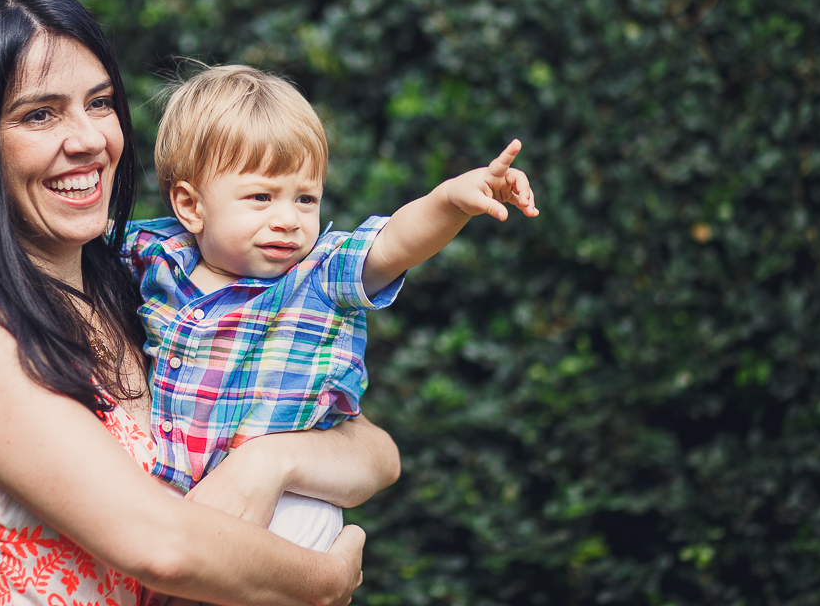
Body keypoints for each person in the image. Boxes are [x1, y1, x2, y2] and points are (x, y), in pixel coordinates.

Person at [0, 0, 400, 606]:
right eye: (39, 114)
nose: (89, 140)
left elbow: (372, 451)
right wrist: (323, 580)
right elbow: (159, 545)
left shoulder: (140, 284)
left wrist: (270, 463)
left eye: (99, 103)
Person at [124, 66, 538, 553]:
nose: (288, 220)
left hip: (284, 508)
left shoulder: (318, 275)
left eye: (305, 199)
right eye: (261, 197)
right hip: (174, 498)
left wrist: (449, 202)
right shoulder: (151, 254)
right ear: (190, 206)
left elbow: (392, 244)